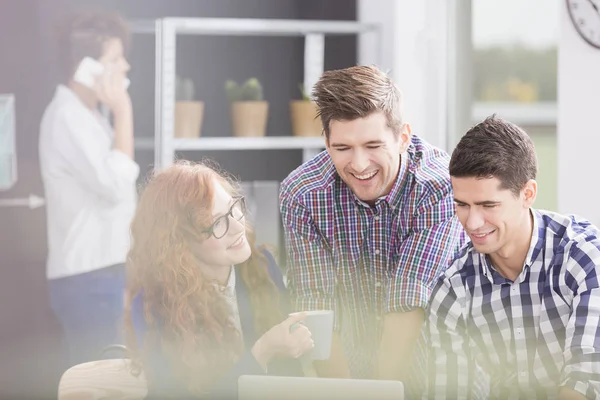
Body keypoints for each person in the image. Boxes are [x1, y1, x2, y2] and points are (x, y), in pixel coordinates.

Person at [279, 65, 464, 397]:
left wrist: (377, 394)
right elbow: (315, 304)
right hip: (349, 372)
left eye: (373, 145)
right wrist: (347, 394)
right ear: (326, 141)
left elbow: (407, 300)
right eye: (343, 148)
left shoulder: (438, 187)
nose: (359, 164)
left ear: (403, 137)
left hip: (441, 375)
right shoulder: (302, 193)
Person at [425, 115, 600, 399]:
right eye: (462, 205)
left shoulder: (580, 258)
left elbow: (587, 379)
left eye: (488, 205)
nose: (472, 222)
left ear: (527, 193)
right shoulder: (454, 290)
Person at [124, 161, 313, 399]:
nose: (237, 226)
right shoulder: (154, 304)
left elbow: (290, 381)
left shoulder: (260, 265)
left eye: (233, 208)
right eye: (217, 223)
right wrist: (264, 350)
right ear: (179, 245)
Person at [38, 10, 138, 365]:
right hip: (89, 279)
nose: (124, 66)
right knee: (100, 382)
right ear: (87, 67)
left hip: (101, 274)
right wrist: (124, 111)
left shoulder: (89, 116)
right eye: (114, 58)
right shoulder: (67, 117)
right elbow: (113, 185)